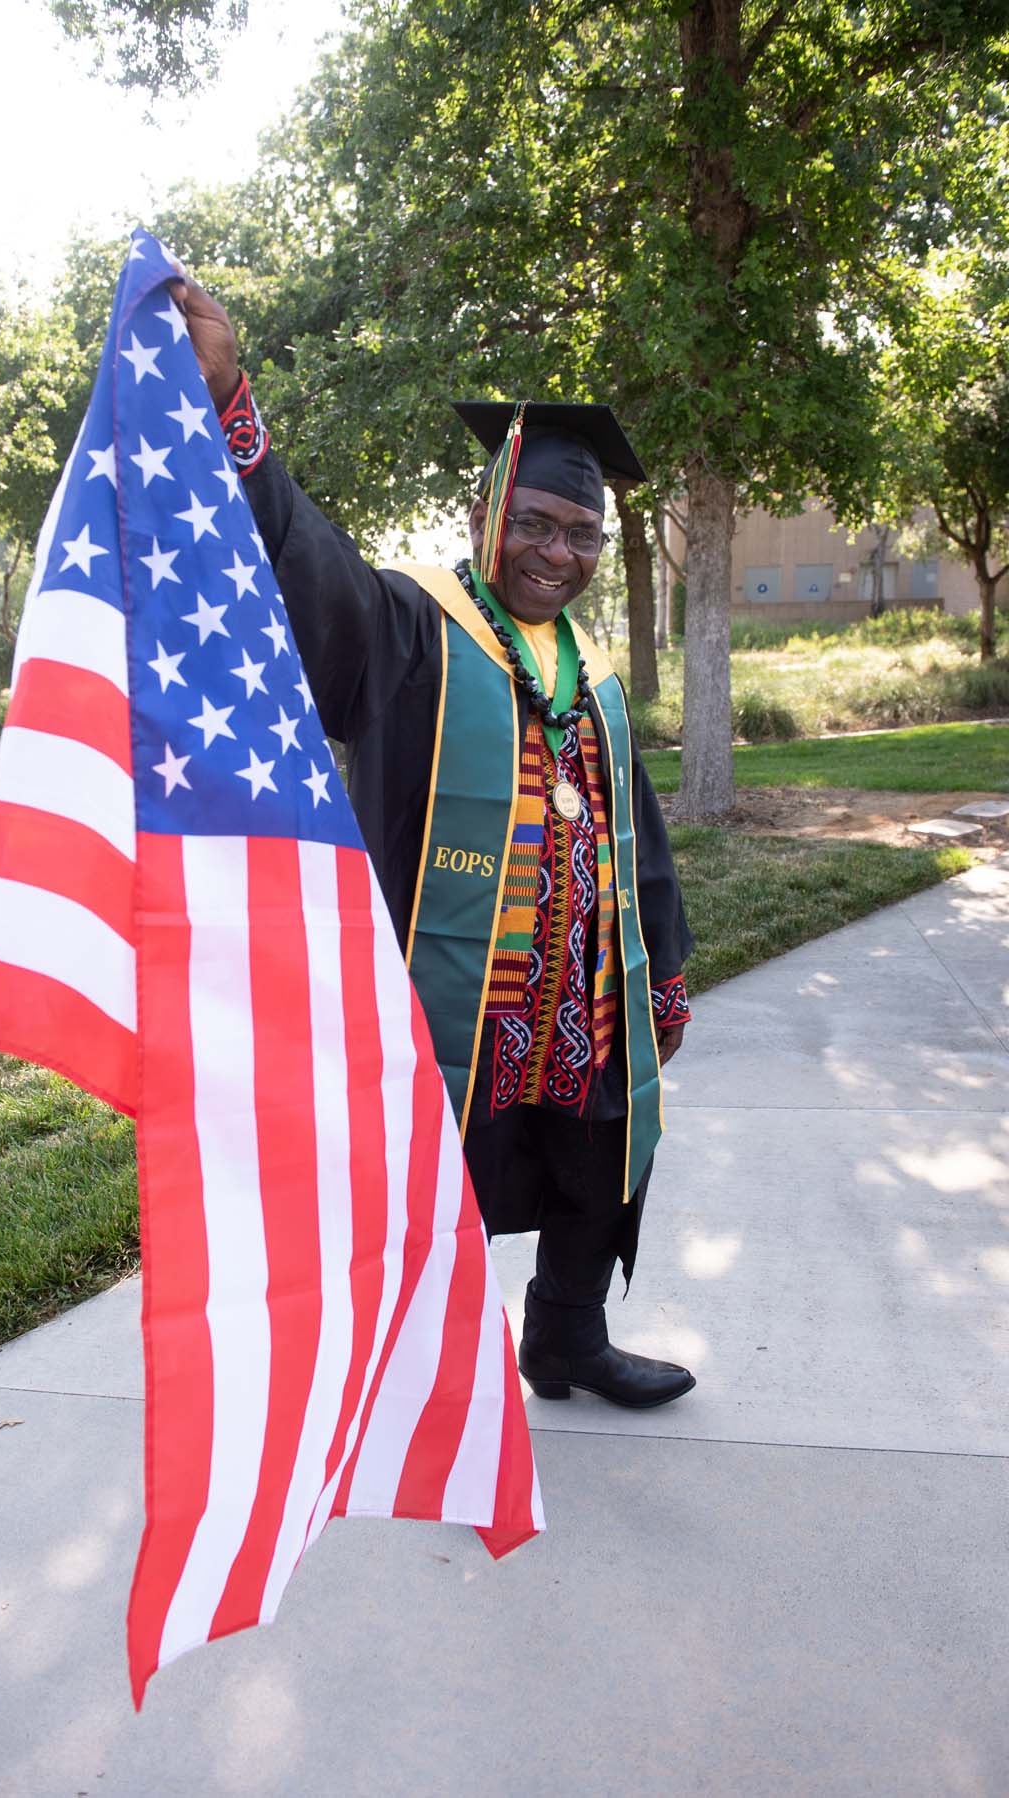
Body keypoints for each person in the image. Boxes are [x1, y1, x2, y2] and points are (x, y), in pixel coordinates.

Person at [173, 275, 697, 1409]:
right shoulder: (416, 626)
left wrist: (666, 963)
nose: (561, 552)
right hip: (453, 990)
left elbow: (635, 832)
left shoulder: (592, 670)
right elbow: (312, 581)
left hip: (583, 993)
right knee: (433, 1173)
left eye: (583, 534)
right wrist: (235, 415)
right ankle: (410, 1375)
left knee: (597, 1156)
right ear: (484, 516)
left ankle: (564, 1335)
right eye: (539, 524)